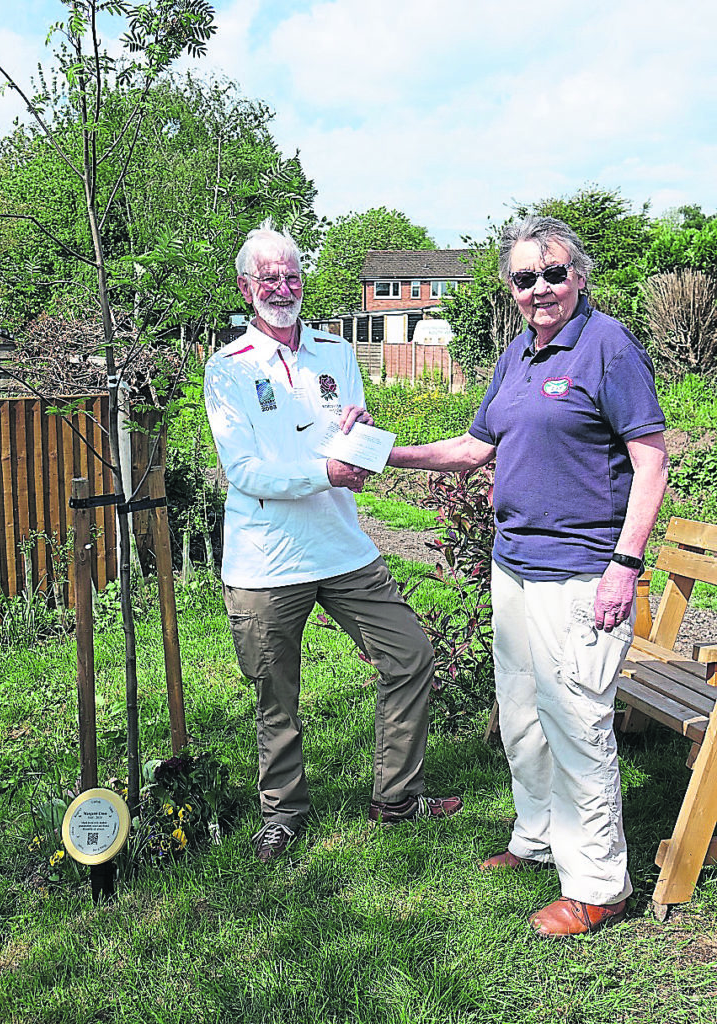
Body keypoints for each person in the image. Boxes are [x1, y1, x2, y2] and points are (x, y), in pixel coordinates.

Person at [389, 216, 668, 936]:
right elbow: (471, 447)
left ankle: (601, 884)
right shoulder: (517, 354)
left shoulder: (608, 349)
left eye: (552, 274)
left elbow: (651, 462)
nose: (539, 289)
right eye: (524, 278)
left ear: (579, 276)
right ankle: (539, 838)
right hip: (513, 568)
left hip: (581, 572)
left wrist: (624, 568)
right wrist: (385, 454)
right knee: (522, 715)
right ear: (509, 288)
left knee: (576, 722)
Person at [203, 222, 461, 863]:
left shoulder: (337, 352)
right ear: (246, 287)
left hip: (342, 545)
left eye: (292, 275)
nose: (283, 288)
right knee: (275, 692)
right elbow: (244, 473)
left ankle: (397, 797)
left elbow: (352, 426)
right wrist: (324, 471)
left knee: (409, 655)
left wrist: (362, 434)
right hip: (267, 558)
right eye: (270, 278)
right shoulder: (227, 369)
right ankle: (282, 814)